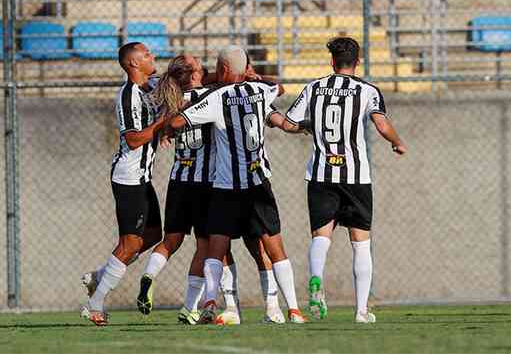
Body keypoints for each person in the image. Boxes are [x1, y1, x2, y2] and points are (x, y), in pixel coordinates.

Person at [136, 54, 285, 324]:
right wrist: (252, 77)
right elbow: (273, 87)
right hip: (218, 184)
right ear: (195, 75)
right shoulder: (213, 95)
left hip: (180, 181)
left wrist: (166, 129)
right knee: (231, 247)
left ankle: (157, 279)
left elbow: (174, 116)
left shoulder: (172, 100)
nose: (205, 68)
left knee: (173, 241)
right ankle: (235, 305)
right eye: (199, 66)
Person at [164, 46, 307, 325]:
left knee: (218, 248)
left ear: (224, 69)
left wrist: (170, 126)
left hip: (226, 188)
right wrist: (256, 77)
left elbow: (180, 120)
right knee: (272, 248)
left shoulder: (216, 97)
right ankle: (291, 309)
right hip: (258, 185)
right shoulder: (261, 92)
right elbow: (279, 87)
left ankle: (212, 302)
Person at [278, 37, 406, 323]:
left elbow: (288, 124)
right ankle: (361, 311)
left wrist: (309, 127)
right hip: (355, 176)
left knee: (321, 237)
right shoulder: (367, 90)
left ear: (332, 62)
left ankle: (315, 280)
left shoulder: (313, 87)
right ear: (357, 61)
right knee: (360, 242)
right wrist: (397, 142)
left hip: (321, 173)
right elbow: (381, 123)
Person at [81, 42, 165, 326]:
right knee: (129, 244)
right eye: (146, 55)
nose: (152, 57)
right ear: (133, 64)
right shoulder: (129, 94)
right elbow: (133, 138)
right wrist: (162, 123)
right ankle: (95, 304)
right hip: (129, 179)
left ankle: (99, 276)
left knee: (153, 234)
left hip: (142, 177)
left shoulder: (147, 89)